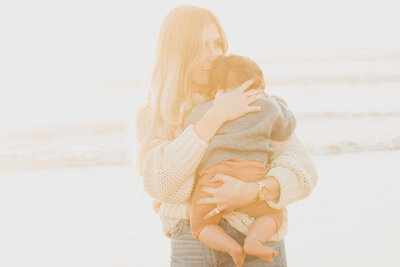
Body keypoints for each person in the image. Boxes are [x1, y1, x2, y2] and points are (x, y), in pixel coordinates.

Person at [136, 5, 318, 267]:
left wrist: (253, 191)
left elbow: (304, 174)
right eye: (200, 47)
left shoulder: (250, 98)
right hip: (192, 245)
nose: (213, 55)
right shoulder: (156, 115)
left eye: (217, 43)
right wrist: (215, 116)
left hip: (258, 239)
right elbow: (166, 186)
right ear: (177, 53)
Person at [186, 54, 296, 264]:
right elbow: (286, 128)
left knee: (200, 225)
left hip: (214, 178)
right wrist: (276, 102)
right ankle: (253, 241)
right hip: (253, 174)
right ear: (258, 85)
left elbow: (190, 128)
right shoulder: (268, 106)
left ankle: (231, 247)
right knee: (273, 216)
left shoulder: (206, 109)